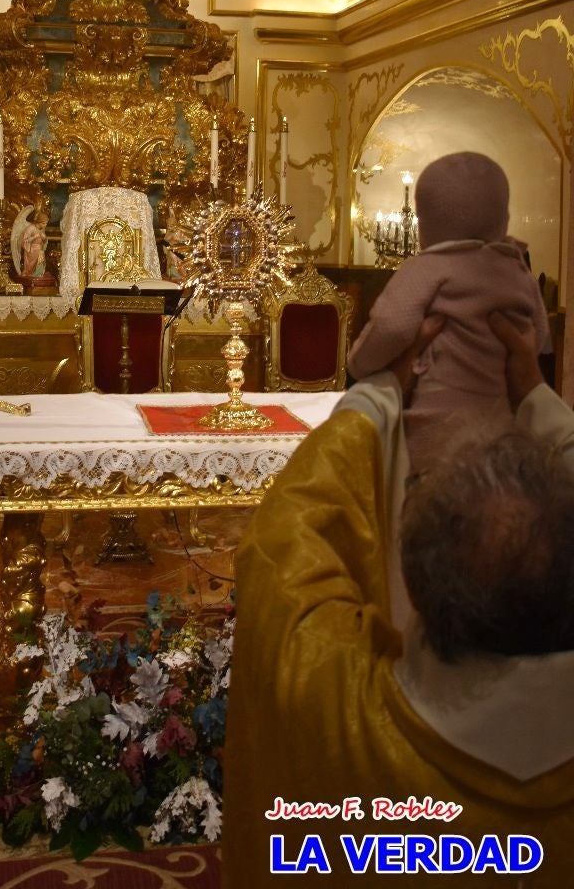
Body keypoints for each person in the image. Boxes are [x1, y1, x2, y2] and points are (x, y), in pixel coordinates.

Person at [221, 313, 574, 888]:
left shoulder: (320, 689)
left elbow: (286, 536)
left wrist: (380, 394)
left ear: (411, 580)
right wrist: (535, 394)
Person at [348, 151, 550, 471]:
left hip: (434, 439)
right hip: (501, 438)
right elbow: (537, 339)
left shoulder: (426, 267)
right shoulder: (516, 268)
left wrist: (358, 363)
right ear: (504, 217)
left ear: (425, 222)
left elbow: (392, 326)